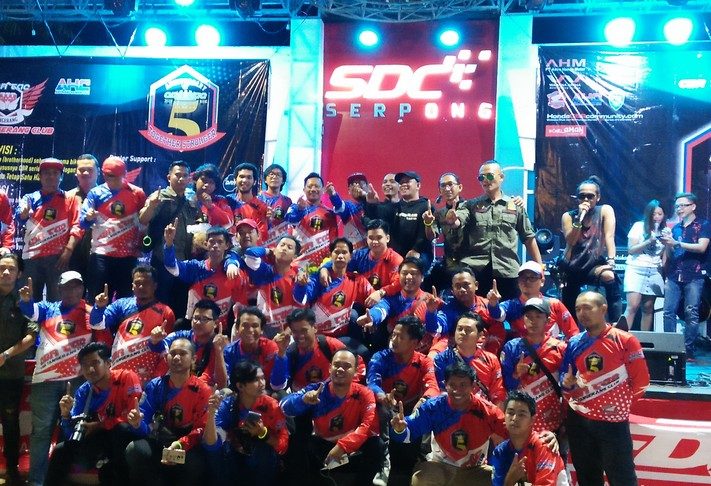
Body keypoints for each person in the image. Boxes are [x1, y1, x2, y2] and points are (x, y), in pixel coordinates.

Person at [561, 291, 649, 486]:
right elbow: (565, 378)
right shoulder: (574, 343)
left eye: (587, 308)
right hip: (579, 421)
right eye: (577, 309)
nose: (582, 313)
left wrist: (619, 405)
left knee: (622, 479)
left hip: (612, 423)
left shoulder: (625, 341)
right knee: (587, 478)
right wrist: (567, 384)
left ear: (603, 309)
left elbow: (641, 381)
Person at [19, 271, 92, 486]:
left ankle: (62, 479)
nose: (72, 290)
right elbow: (30, 312)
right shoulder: (47, 308)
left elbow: (102, 341)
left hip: (77, 382)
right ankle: (36, 481)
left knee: (73, 431)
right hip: (45, 381)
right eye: (67, 286)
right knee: (41, 433)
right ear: (59, 289)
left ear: (82, 288)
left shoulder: (92, 313)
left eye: (76, 286)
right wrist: (26, 301)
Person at [389, 362, 508, 486]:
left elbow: (512, 437)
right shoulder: (433, 407)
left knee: (503, 478)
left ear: (473, 386)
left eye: (463, 385)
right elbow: (407, 433)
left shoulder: (489, 411)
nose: (457, 390)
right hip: (440, 467)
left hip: (475, 471)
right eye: (452, 385)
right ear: (445, 385)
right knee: (421, 478)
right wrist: (399, 430)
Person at [280, 349, 384, 486]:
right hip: (322, 446)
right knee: (295, 442)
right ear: (330, 368)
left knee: (376, 445)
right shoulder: (316, 390)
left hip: (351, 449)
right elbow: (284, 406)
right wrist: (303, 400)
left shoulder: (365, 394)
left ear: (355, 371)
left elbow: (368, 426)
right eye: (336, 365)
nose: (340, 369)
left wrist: (343, 446)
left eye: (346, 366)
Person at [45, 342, 142, 486]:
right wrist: (65, 415)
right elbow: (72, 433)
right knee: (61, 450)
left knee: (121, 430)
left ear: (108, 363)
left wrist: (99, 425)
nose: (90, 369)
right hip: (101, 438)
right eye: (85, 365)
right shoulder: (84, 391)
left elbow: (132, 418)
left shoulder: (126, 377)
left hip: (126, 437)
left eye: (95, 363)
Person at [125, 338, 212, 486]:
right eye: (173, 353)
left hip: (186, 445)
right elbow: (144, 422)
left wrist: (180, 444)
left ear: (193, 359)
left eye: (182, 353)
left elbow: (201, 428)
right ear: (167, 357)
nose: (177, 357)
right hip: (161, 441)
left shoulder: (202, 390)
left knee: (196, 463)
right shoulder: (155, 385)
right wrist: (137, 423)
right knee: (135, 450)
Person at [453, 160, 542, 299]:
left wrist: (540, 267)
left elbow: (528, 238)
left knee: (512, 309)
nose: (485, 180)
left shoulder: (515, 206)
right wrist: (453, 219)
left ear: (501, 177)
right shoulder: (471, 205)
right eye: (481, 177)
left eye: (489, 176)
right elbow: (458, 221)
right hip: (476, 270)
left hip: (507, 269)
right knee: (476, 310)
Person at [366, 316, 439, 482]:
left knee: (428, 408)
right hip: (386, 407)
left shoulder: (424, 362)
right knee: (380, 409)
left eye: (400, 337)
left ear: (414, 342)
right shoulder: (381, 357)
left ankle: (416, 463)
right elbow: (372, 383)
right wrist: (382, 396)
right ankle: (381, 465)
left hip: (410, 411)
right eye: (393, 335)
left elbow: (433, 387)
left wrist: (423, 401)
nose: (394, 339)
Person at [204, 361, 289, 486]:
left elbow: (283, 446)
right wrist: (211, 413)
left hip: (261, 462)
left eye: (262, 378)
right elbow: (211, 445)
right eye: (255, 380)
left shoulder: (272, 406)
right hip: (234, 459)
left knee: (263, 450)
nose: (262, 383)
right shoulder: (228, 405)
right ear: (240, 386)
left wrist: (263, 434)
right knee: (217, 452)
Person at [90, 264, 176, 384]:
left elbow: (167, 352)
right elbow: (97, 324)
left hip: (146, 379)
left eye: (146, 283)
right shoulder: (121, 305)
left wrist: (155, 383)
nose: (141, 286)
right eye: (137, 283)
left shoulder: (166, 312)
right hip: (117, 373)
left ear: (155, 285)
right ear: (132, 286)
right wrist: (99, 308)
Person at [16, 157, 83, 301]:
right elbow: (19, 216)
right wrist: (23, 214)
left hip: (58, 258)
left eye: (55, 173)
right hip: (31, 257)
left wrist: (68, 250)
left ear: (61, 177)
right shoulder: (30, 198)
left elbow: (77, 226)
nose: (51, 176)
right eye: (46, 173)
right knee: (29, 300)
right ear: (40, 176)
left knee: (58, 301)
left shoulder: (70, 199)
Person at [81, 156, 147, 300]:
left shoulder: (137, 193)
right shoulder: (95, 193)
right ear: (103, 174)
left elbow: (145, 222)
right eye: (109, 175)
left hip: (128, 255)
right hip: (101, 254)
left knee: (125, 301)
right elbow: (82, 223)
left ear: (125, 174)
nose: (113, 179)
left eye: (118, 176)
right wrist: (88, 217)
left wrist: (142, 244)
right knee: (98, 299)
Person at [139, 160, 200, 319]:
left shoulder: (191, 199)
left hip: (184, 261)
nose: (181, 179)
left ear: (189, 179)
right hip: (163, 259)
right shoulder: (160, 196)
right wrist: (151, 206)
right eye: (177, 175)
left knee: (181, 304)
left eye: (185, 176)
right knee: (161, 303)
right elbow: (143, 219)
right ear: (169, 177)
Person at [560, 176, 622, 324]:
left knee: (609, 277)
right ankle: (571, 330)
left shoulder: (605, 211)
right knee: (570, 302)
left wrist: (611, 261)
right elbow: (571, 241)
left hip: (594, 264)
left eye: (590, 196)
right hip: (572, 265)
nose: (586, 200)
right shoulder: (568, 216)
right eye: (582, 196)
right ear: (577, 198)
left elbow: (609, 236)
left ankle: (616, 323)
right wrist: (578, 220)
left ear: (598, 197)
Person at [499, 298, 567, 434]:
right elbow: (506, 387)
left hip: (553, 421)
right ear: (523, 319)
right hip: (521, 422)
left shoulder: (560, 348)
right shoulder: (512, 347)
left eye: (538, 316)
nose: (533, 321)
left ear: (548, 320)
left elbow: (566, 388)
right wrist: (516, 374)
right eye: (528, 316)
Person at [0, 254, 39, 486]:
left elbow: (31, 336)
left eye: (11, 269)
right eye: (2, 268)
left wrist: (6, 355)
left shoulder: (24, 301)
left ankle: (12, 469)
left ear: (19, 273)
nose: (5, 273)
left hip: (11, 374)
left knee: (10, 422)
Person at [661, 192, 710, 360]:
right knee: (668, 312)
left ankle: (688, 350)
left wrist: (677, 243)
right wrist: (668, 243)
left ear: (693, 206)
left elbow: (702, 247)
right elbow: (671, 252)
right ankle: (669, 349)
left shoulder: (703, 225)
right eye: (677, 206)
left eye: (683, 205)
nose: (679, 209)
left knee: (691, 312)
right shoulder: (675, 228)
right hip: (674, 274)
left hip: (694, 273)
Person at [293, 237, 373, 340]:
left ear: (350, 257)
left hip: (341, 336)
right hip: (317, 337)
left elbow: (376, 300)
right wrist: (300, 286)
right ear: (331, 255)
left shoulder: (356, 280)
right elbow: (302, 299)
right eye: (337, 252)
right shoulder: (318, 278)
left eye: (344, 252)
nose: (340, 256)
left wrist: (375, 313)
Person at [490, 391, 569, 486]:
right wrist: (510, 480)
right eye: (510, 413)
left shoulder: (544, 444)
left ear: (532, 420)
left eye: (521, 414)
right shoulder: (500, 451)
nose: (514, 418)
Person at [357, 257, 435, 352]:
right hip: (396, 352)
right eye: (404, 273)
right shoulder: (391, 299)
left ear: (422, 277)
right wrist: (372, 317)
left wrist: (432, 312)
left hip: (423, 354)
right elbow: (381, 309)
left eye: (413, 273)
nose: (409, 277)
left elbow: (436, 330)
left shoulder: (431, 301)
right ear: (399, 276)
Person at [164, 224, 235, 326]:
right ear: (206, 244)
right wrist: (169, 243)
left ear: (227, 245)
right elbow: (172, 267)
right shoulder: (195, 267)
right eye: (212, 241)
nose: (215, 245)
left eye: (220, 242)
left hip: (221, 328)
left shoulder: (232, 270)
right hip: (195, 326)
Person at [489, 261, 578, 341]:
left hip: (550, 352)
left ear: (542, 281)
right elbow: (498, 315)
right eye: (523, 277)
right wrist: (493, 304)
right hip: (522, 352)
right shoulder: (511, 305)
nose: (527, 281)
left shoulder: (554, 304)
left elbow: (573, 334)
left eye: (532, 277)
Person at [149, 299, 228, 389]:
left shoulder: (220, 344)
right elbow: (159, 347)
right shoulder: (181, 336)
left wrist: (219, 351)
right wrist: (155, 340)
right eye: (196, 318)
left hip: (201, 390)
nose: (198, 322)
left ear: (215, 323)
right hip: (177, 385)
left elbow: (220, 384)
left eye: (204, 319)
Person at [425, 266, 503, 356]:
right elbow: (434, 328)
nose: (462, 289)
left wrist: (494, 306)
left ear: (476, 285)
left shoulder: (488, 305)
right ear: (452, 290)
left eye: (466, 285)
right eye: (458, 286)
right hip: (456, 353)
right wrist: (431, 312)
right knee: (433, 354)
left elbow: (498, 323)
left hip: (485, 353)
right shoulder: (448, 309)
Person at [433, 312, 506, 408]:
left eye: (468, 330)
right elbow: (441, 393)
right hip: (452, 412)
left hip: (482, 412)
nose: (462, 333)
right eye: (459, 329)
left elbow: (498, 395)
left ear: (480, 335)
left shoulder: (491, 360)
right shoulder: (442, 359)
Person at [241, 236, 303, 337]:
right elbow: (250, 253)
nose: (284, 248)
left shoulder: (298, 277)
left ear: (294, 256)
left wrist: (287, 332)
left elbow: (300, 308)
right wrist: (268, 251)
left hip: (289, 330)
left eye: (289, 247)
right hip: (264, 328)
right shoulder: (265, 271)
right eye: (282, 245)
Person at [284, 172, 345, 272]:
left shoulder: (329, 213)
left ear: (323, 190)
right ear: (304, 189)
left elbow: (333, 242)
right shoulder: (295, 207)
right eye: (309, 186)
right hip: (297, 266)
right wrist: (300, 210)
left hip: (322, 267)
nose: (313, 189)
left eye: (316, 186)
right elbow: (290, 219)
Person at [624, 199, 667, 331]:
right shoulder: (639, 226)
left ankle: (644, 340)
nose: (657, 217)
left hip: (654, 271)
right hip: (636, 268)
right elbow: (631, 250)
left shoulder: (666, 231)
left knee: (648, 307)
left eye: (660, 214)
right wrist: (648, 241)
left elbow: (664, 256)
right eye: (654, 214)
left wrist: (669, 245)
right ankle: (622, 338)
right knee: (632, 306)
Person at [222, 306, 289, 392]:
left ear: (261, 330)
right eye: (245, 325)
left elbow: (277, 386)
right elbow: (225, 383)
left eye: (255, 326)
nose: (250, 330)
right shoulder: (229, 351)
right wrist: (218, 352)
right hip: (240, 392)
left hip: (266, 392)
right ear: (237, 328)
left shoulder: (270, 347)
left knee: (280, 394)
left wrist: (281, 353)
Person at [67, 154, 99, 277]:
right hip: (72, 257)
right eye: (81, 170)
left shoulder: (107, 197)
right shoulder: (67, 197)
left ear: (98, 172)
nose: (85, 173)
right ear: (76, 173)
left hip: (100, 257)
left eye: (90, 169)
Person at [228, 162, 269, 242]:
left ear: (255, 182)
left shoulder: (261, 207)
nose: (244, 180)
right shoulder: (227, 201)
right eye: (241, 177)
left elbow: (262, 236)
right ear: (235, 180)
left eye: (249, 177)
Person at [191, 163, 233, 232]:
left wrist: (211, 207)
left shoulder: (220, 201)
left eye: (211, 182)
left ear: (215, 186)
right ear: (195, 180)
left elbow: (229, 223)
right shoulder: (187, 199)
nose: (207, 185)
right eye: (204, 180)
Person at [258, 163, 293, 246]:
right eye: (271, 174)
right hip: (261, 243)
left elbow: (291, 221)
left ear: (283, 181)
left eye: (278, 175)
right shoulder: (258, 199)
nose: (274, 177)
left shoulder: (287, 201)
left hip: (280, 244)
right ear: (265, 180)